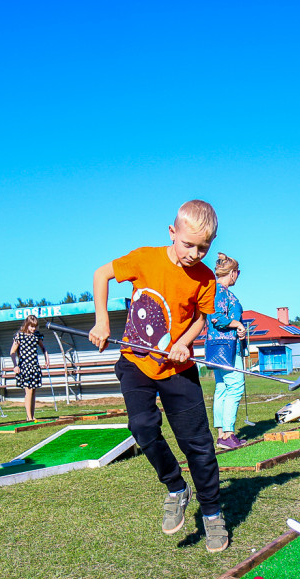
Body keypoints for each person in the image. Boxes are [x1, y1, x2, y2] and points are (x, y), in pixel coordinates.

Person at [88, 199, 228, 552]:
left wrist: (184, 341)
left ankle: (212, 514)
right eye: (188, 244)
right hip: (135, 361)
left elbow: (200, 318)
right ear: (172, 232)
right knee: (143, 427)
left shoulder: (206, 278)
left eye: (204, 247)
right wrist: (102, 320)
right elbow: (100, 274)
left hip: (178, 369)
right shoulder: (145, 258)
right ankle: (176, 488)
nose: (195, 253)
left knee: (198, 445)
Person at [206, 253, 248, 449]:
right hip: (226, 348)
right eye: (238, 273)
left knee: (222, 388)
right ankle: (228, 434)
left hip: (217, 346)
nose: (238, 276)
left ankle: (222, 435)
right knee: (236, 386)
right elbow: (216, 317)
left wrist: (238, 330)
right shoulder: (221, 292)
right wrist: (237, 323)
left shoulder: (215, 290)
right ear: (232, 273)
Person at [10, 314, 51, 422]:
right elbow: (12, 352)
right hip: (24, 367)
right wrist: (15, 365)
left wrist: (47, 359)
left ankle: (32, 415)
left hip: (34, 366)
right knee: (28, 392)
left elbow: (43, 348)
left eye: (35, 326)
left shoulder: (37, 336)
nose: (33, 329)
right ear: (27, 325)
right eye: (31, 326)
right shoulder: (20, 336)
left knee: (33, 391)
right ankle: (29, 417)